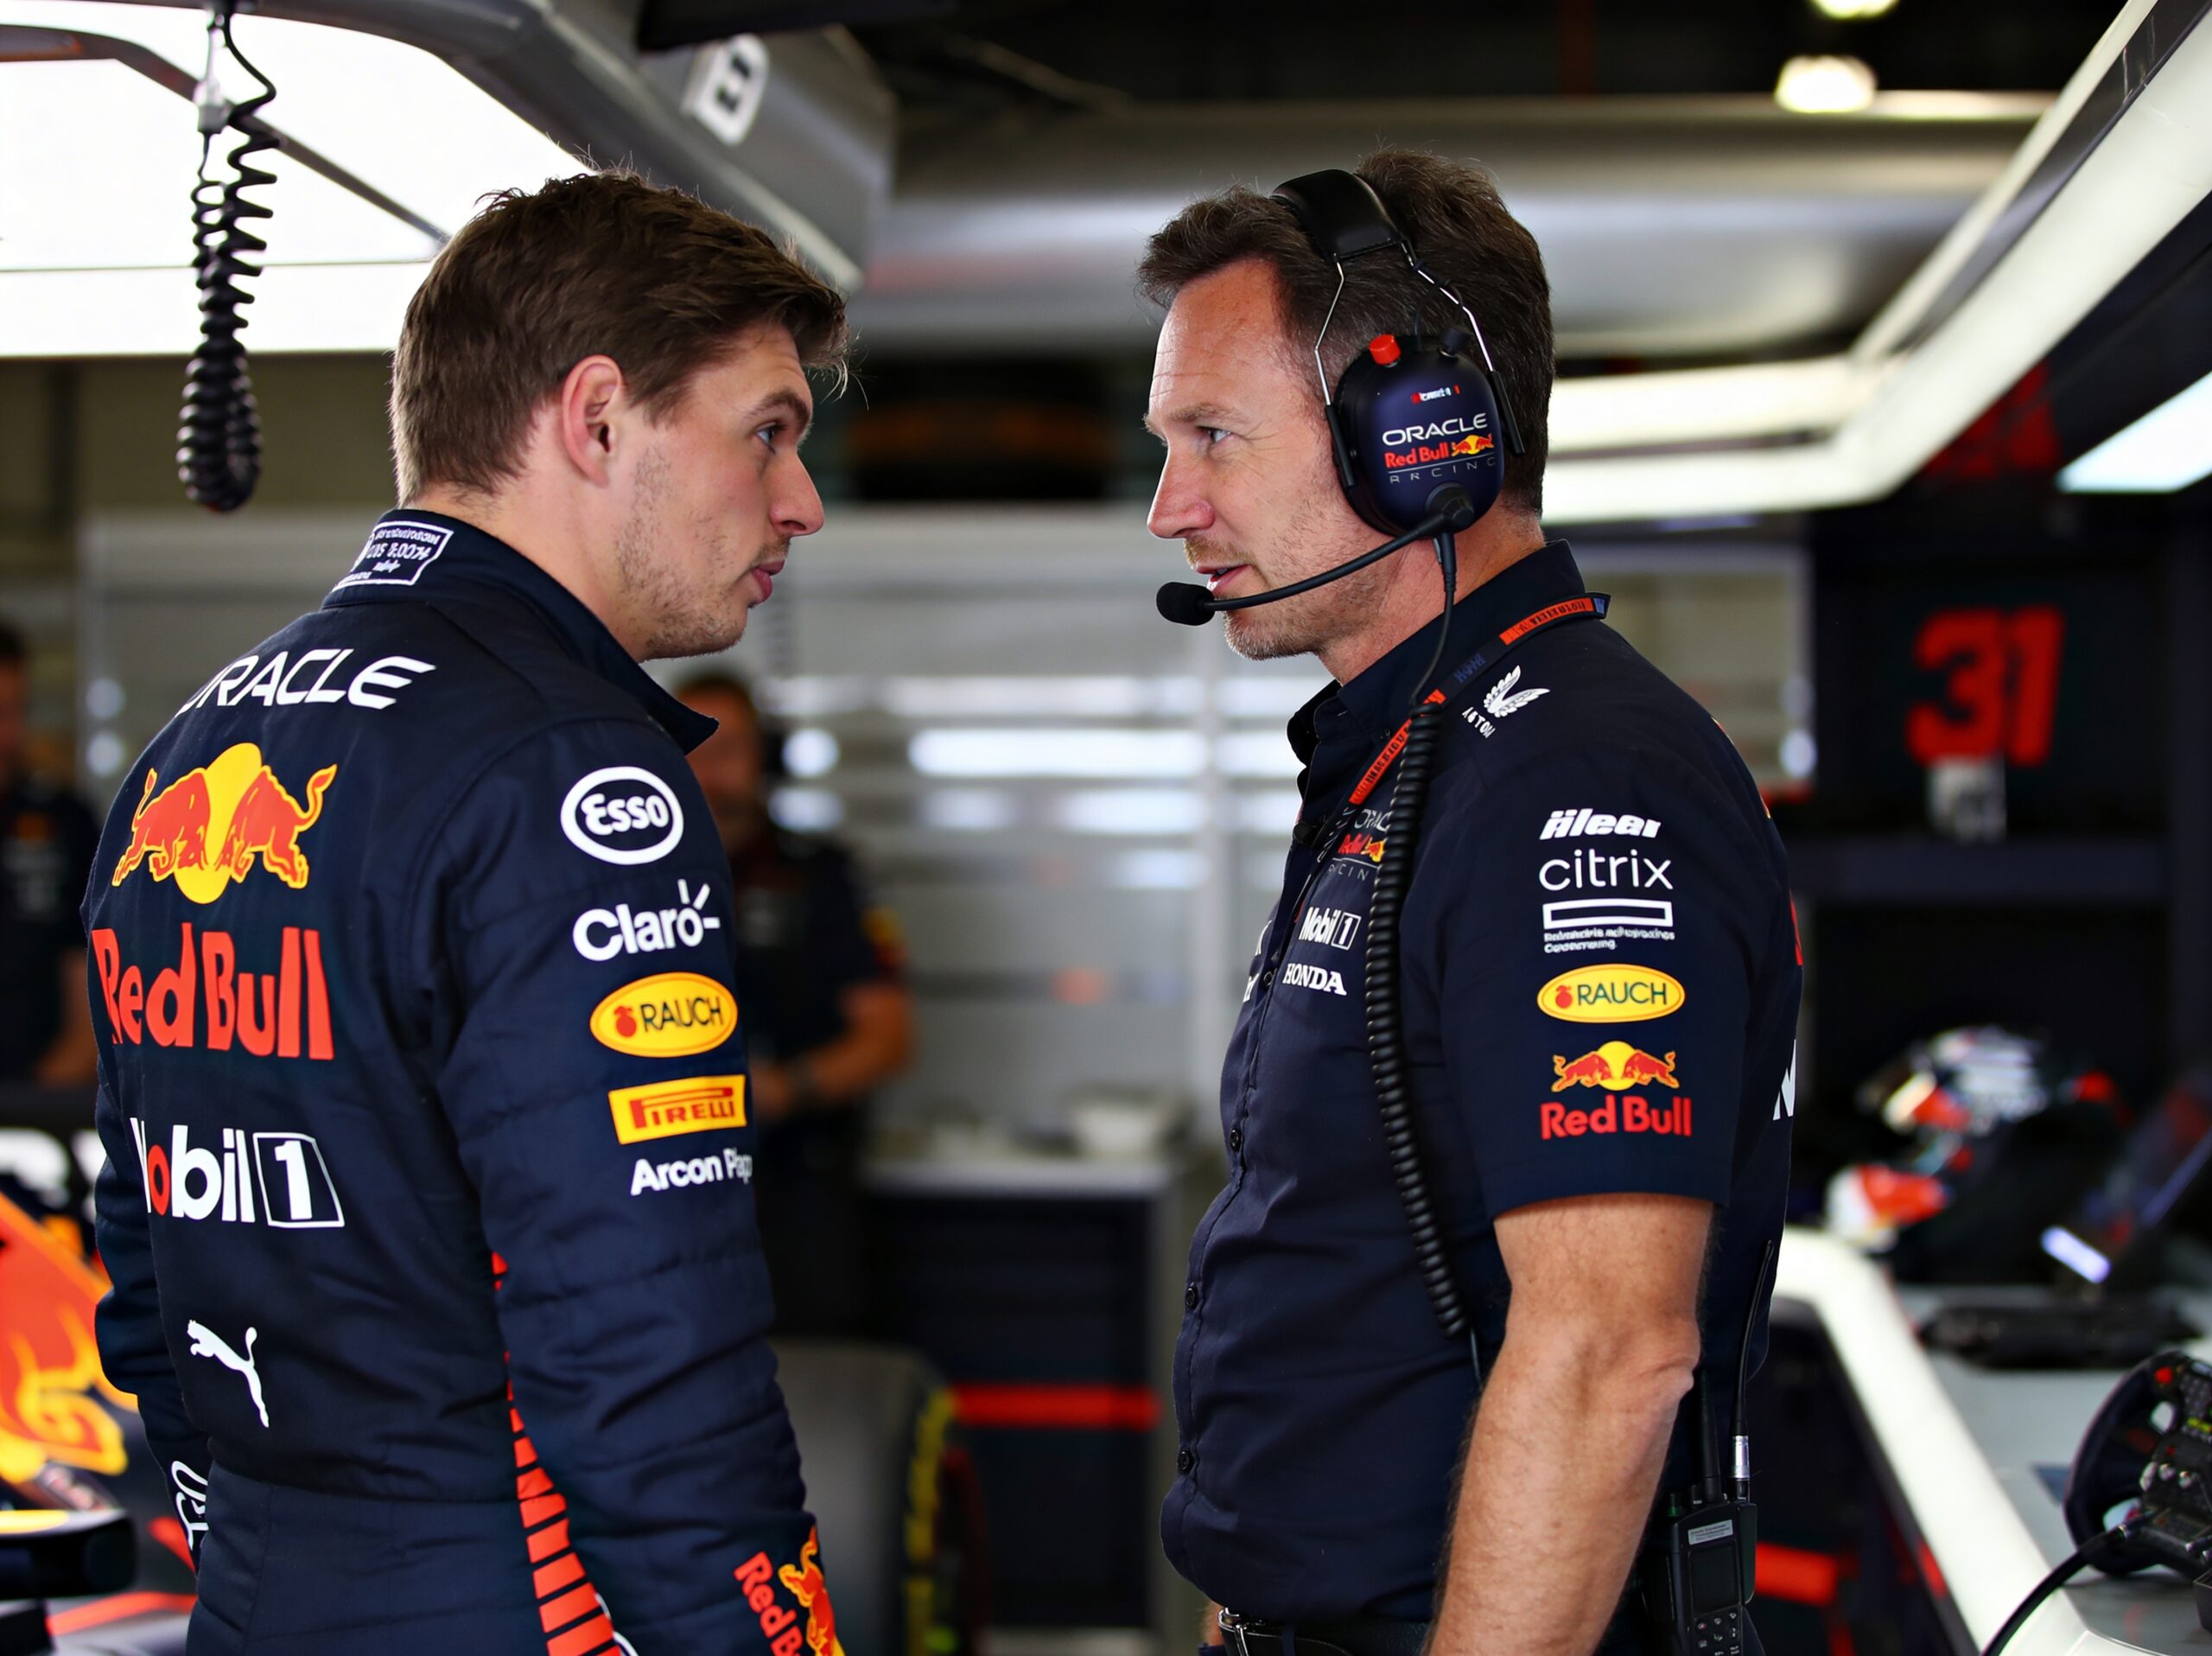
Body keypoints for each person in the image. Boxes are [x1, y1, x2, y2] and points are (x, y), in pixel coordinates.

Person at [88, 171, 851, 1656]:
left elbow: (148, 1261)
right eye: (768, 430)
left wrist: (259, 1544)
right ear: (598, 418)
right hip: (512, 1602)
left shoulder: (192, 749)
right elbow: (646, 1341)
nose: (799, 500)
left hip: (255, 1594)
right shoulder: (567, 768)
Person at [1140, 151, 1799, 1656]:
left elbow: (1609, 1349)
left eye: (1213, 437)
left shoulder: (1577, 782)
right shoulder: (1424, 750)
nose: (1173, 508)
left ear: (1422, 435)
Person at [677, 671, 913, 1334]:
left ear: (767, 760)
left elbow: (889, 1039)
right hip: (661, 1186)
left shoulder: (823, 876)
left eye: (727, 751)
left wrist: (776, 1092)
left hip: (800, 1192)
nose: (706, 774)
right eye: (688, 749)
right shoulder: (617, 874)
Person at [0, 620, 99, 1087]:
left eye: (12, 711)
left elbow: (96, 1005)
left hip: (40, 1101)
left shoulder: (65, 823)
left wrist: (34, 1108)